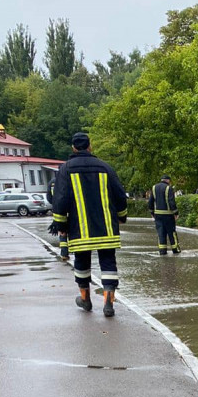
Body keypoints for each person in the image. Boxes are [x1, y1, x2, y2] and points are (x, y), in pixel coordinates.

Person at [50, 132, 128, 317]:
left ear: (73, 148)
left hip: (80, 229)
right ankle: (108, 301)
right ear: (90, 146)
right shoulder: (105, 167)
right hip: (106, 226)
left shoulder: (65, 169)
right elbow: (119, 194)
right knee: (108, 262)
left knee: (82, 262)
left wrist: (60, 224)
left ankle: (85, 299)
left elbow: (59, 199)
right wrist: (121, 216)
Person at [148, 174, 180, 255]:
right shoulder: (169, 188)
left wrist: (152, 212)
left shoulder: (154, 187)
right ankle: (175, 249)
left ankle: (162, 251)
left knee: (161, 233)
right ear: (168, 180)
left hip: (158, 215)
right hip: (168, 215)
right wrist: (176, 212)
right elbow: (171, 202)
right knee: (171, 232)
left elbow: (150, 201)